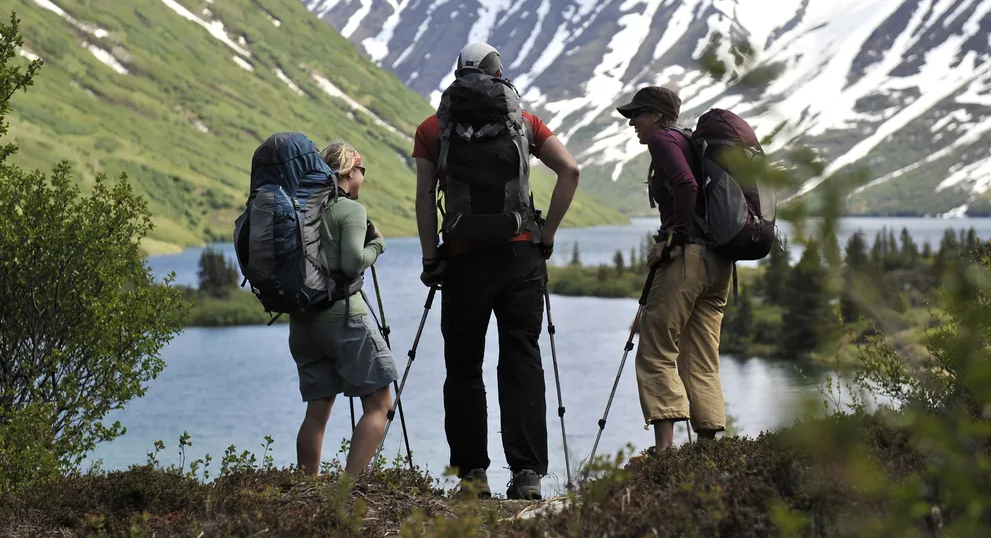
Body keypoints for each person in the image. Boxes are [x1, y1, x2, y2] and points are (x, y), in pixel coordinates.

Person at [412, 42, 580, 500]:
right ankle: (527, 475)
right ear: (498, 73)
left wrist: (432, 259)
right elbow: (570, 171)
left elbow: (425, 197)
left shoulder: (432, 129)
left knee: (464, 368)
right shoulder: (524, 122)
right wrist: (546, 237)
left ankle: (472, 477)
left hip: (463, 262)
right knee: (520, 360)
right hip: (519, 257)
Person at [615, 86, 733, 454]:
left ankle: (664, 450)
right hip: (720, 263)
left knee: (656, 348)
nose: (632, 122)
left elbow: (685, 184)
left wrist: (673, 239)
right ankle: (707, 447)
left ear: (655, 115)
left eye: (637, 114)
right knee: (701, 352)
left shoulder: (663, 140)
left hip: (688, 260)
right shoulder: (689, 140)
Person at [287, 140, 399, 476]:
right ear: (350, 171)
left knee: (317, 409)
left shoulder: (301, 209)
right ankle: (347, 490)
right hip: (343, 319)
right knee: (380, 404)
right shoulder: (349, 211)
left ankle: (307, 488)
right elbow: (352, 264)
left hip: (303, 323)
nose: (363, 179)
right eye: (362, 172)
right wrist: (377, 245)